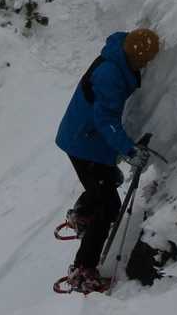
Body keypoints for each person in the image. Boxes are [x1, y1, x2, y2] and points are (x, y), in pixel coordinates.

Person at [53, 28, 161, 292]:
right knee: (108, 205)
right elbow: (105, 120)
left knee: (107, 179)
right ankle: (82, 270)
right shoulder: (110, 75)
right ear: (136, 57)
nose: (146, 65)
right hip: (83, 143)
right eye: (145, 61)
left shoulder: (118, 56)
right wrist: (129, 151)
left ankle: (82, 214)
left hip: (83, 137)